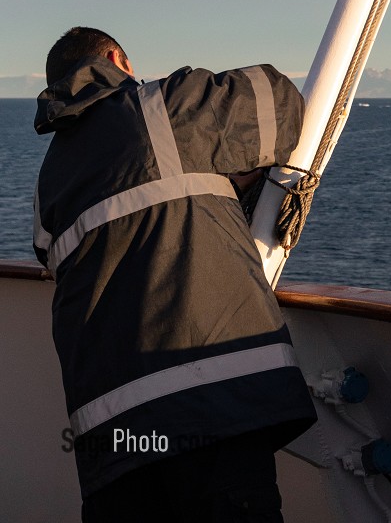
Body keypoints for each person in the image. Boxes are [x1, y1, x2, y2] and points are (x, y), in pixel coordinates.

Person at [33, 26, 316, 521]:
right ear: (116, 59)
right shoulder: (163, 107)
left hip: (112, 439)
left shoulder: (47, 183)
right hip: (211, 407)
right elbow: (282, 102)